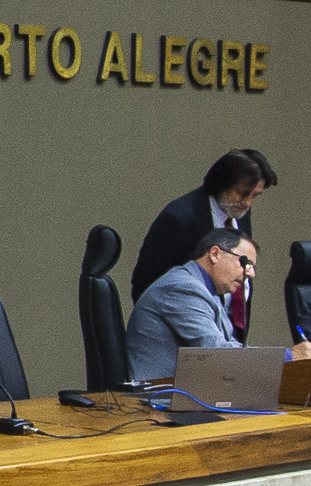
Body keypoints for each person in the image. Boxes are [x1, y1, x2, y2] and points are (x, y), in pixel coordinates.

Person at [129, 148, 278, 341]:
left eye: (255, 195)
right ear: (222, 184)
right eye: (242, 193)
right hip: (182, 337)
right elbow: (147, 284)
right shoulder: (179, 218)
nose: (248, 202)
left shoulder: (240, 211)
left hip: (227, 331)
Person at [124, 230, 311, 381]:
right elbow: (217, 352)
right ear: (215, 254)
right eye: (246, 264)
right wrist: (289, 357)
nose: (251, 273)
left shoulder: (205, 289)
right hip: (154, 403)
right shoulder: (182, 287)